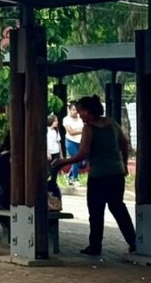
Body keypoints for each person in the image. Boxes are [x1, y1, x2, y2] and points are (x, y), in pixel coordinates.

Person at [51, 95, 136, 256]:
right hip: (116, 172)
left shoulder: (89, 128)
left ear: (88, 111)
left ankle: (95, 245)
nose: (80, 115)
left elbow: (83, 153)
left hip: (98, 175)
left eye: (81, 111)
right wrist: (123, 164)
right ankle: (133, 241)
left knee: (96, 210)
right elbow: (124, 143)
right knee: (118, 207)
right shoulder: (111, 123)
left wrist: (64, 161)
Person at [62, 102, 86, 185]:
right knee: (75, 159)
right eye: (73, 110)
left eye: (77, 110)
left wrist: (79, 130)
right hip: (70, 142)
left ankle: (69, 175)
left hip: (80, 142)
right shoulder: (66, 119)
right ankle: (75, 179)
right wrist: (82, 130)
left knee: (80, 161)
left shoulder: (81, 119)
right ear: (69, 110)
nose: (75, 111)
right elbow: (71, 132)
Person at [46, 114, 63, 200]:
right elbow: (46, 141)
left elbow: (58, 142)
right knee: (49, 170)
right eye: (56, 120)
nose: (57, 122)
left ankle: (53, 185)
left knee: (55, 170)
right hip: (50, 152)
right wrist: (47, 151)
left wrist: (61, 154)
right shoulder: (47, 130)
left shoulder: (56, 131)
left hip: (56, 151)